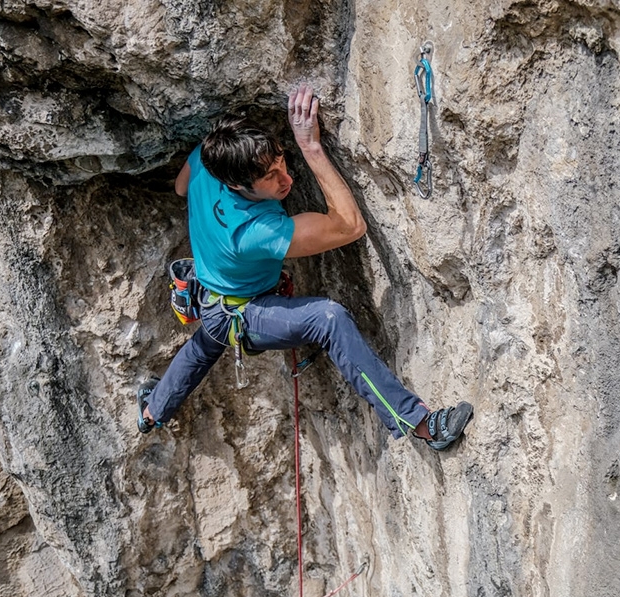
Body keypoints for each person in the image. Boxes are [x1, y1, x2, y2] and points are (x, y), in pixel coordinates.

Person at [136, 83, 472, 450]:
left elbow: (183, 188)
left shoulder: (207, 157)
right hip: (243, 312)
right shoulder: (255, 233)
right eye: (271, 177)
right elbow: (350, 226)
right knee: (328, 319)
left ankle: (153, 410)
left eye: (282, 161)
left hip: (208, 293)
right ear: (234, 182)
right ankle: (419, 423)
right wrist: (310, 146)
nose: (287, 179)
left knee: (205, 345)